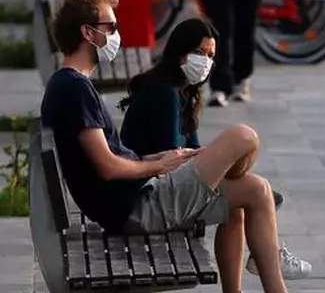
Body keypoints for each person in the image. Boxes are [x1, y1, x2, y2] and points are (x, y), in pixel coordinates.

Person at [40, 0, 294, 293]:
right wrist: (158, 168)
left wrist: (151, 159)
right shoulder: (74, 89)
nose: (117, 33)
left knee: (254, 190)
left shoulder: (70, 85)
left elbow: (111, 159)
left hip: (135, 199)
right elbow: (108, 167)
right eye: (111, 26)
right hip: (136, 208)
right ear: (88, 33)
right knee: (244, 136)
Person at [118, 18, 313, 280]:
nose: (205, 62)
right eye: (198, 53)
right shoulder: (163, 94)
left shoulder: (183, 94)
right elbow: (173, 160)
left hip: (160, 196)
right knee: (246, 143)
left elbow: (193, 150)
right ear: (179, 51)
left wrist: (218, 160)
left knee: (245, 198)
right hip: (147, 202)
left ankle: (257, 267)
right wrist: (222, 156)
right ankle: (270, 257)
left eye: (210, 55)